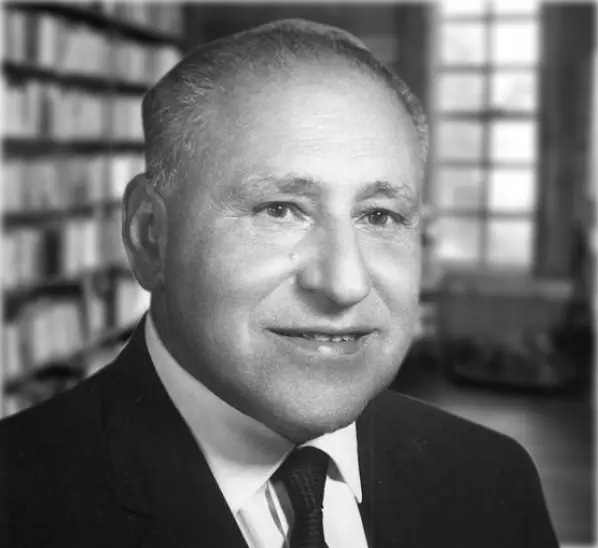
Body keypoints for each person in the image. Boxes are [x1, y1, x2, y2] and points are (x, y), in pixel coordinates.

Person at [0, 18, 560, 548]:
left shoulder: (496, 480)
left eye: (379, 216)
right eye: (279, 210)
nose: (344, 284)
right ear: (150, 237)